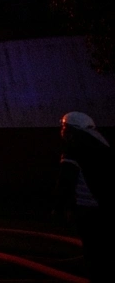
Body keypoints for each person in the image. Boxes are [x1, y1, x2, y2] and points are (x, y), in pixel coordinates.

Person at [55, 111, 112, 281]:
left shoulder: (73, 149)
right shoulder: (102, 144)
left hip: (87, 207)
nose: (62, 131)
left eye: (64, 128)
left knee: (92, 249)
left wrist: (58, 209)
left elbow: (65, 182)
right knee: (103, 248)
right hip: (104, 205)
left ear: (72, 130)